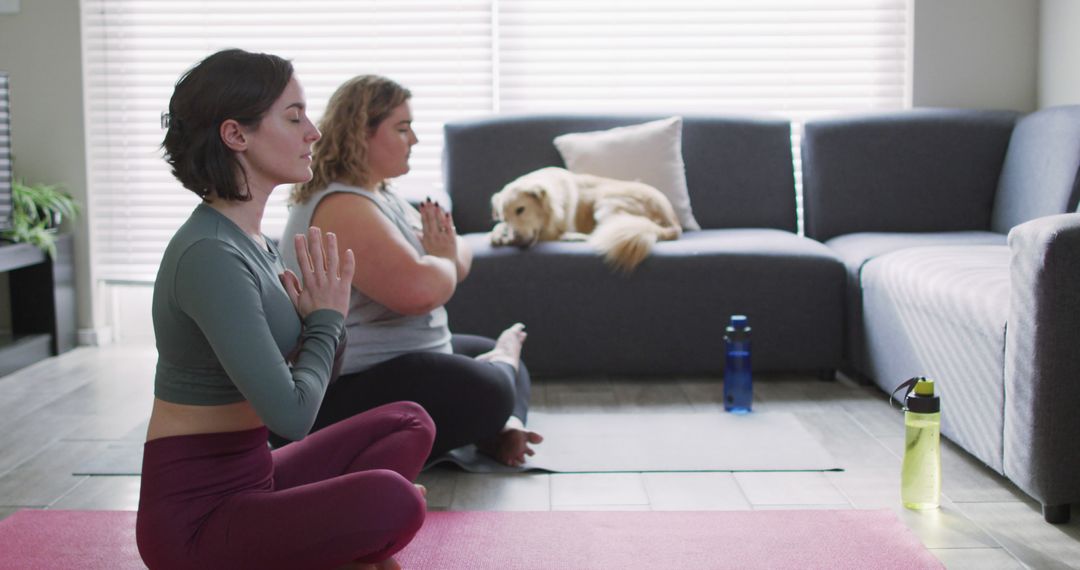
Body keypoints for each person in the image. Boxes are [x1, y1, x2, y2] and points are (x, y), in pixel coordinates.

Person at [137, 49, 433, 570]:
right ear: (236, 135)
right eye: (294, 117)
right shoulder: (211, 255)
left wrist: (324, 325)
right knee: (397, 500)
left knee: (410, 422)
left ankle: (337, 545)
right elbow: (292, 418)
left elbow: (307, 380)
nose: (313, 132)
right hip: (197, 521)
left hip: (256, 477)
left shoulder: (251, 239)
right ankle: (347, 543)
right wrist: (326, 321)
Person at [278, 75, 542, 466]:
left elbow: (453, 254)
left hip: (403, 358)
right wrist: (442, 260)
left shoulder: (380, 194)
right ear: (359, 134)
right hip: (348, 386)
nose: (414, 140)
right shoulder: (342, 207)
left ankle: (503, 428)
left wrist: (442, 259)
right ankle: (499, 403)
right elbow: (421, 292)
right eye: (402, 129)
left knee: (494, 353)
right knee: (496, 383)